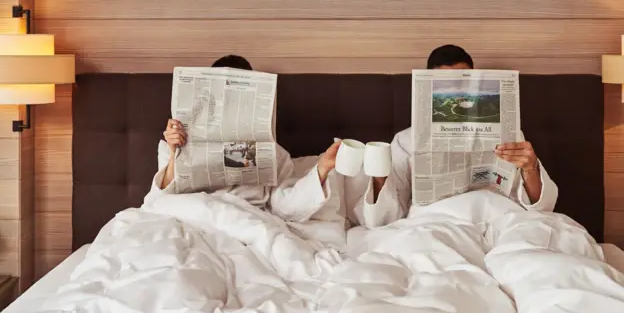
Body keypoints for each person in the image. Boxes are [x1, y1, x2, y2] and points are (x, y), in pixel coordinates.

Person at [353, 44, 558, 228]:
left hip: (499, 218)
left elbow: (542, 206)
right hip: (434, 223)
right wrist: (379, 178)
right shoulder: (405, 141)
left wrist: (530, 167)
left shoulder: (510, 134)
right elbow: (384, 218)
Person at [145, 55, 342, 223]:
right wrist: (175, 155)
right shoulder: (173, 143)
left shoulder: (271, 152)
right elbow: (158, 202)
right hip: (193, 219)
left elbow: (286, 208)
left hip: (242, 222)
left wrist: (321, 169)